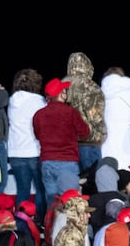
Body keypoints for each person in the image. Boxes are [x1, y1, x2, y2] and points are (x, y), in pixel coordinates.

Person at [32, 76, 91, 206]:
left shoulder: (38, 114)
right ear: (62, 94)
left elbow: (38, 135)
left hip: (47, 161)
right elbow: (85, 132)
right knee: (70, 201)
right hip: (67, 162)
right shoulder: (70, 112)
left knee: (52, 201)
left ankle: (52, 225)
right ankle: (70, 226)